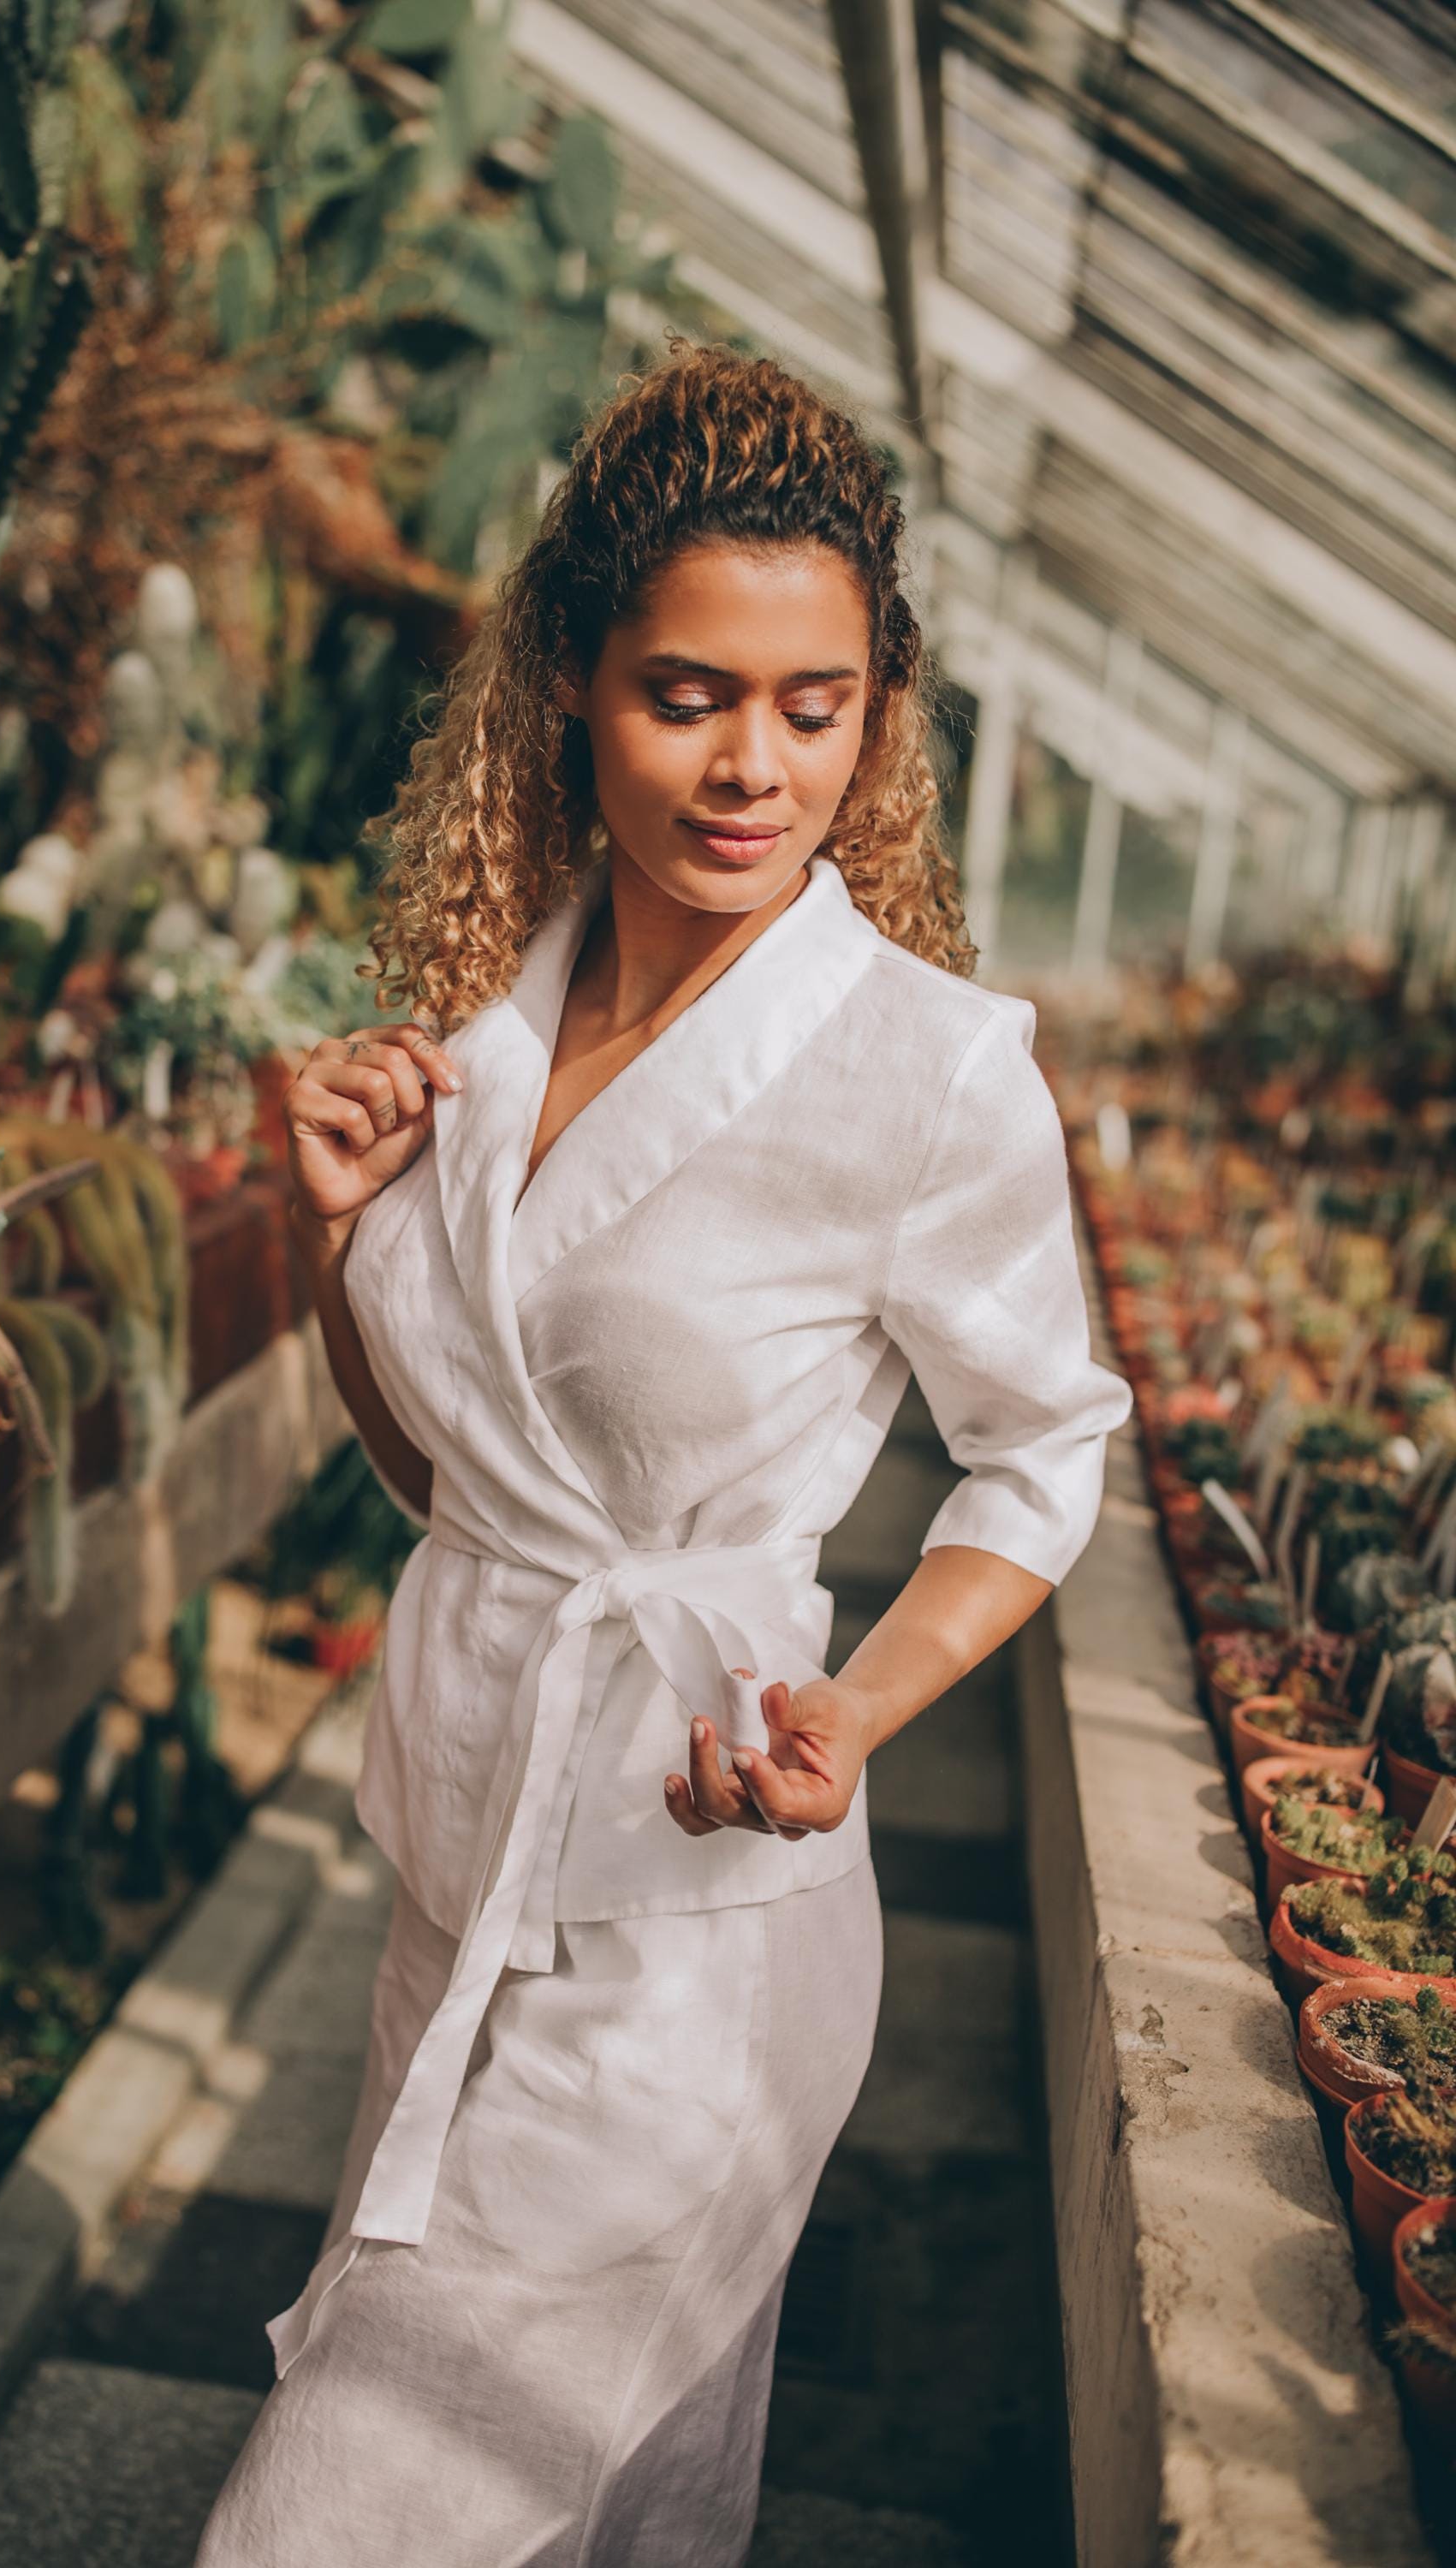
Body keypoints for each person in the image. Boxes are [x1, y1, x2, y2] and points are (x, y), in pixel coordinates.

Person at [193, 340, 1133, 2568]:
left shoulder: (927, 1075)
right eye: (689, 693)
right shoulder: (481, 1031)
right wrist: (341, 1249)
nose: (753, 766)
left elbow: (1041, 1458)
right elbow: (448, 1481)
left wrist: (858, 1710)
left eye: (814, 706)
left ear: (878, 712)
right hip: (453, 1881)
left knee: (326, 2526)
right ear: (574, 689)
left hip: (695, 1920)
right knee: (626, 2519)